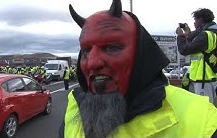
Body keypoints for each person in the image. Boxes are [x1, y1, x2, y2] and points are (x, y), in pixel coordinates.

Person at [59, 0, 217, 137]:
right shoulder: (73, 110)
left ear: (142, 54)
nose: (92, 63)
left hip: (204, 80)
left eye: (111, 47)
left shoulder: (202, 120)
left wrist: (182, 36)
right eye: (86, 50)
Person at [175, 8, 217, 103]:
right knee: (206, 108)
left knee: (204, 109)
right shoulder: (211, 33)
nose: (194, 23)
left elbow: (184, 50)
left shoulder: (204, 36)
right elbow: (196, 48)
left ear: (200, 20)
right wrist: (188, 33)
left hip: (203, 79)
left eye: (195, 20)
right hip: (208, 77)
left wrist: (180, 36)